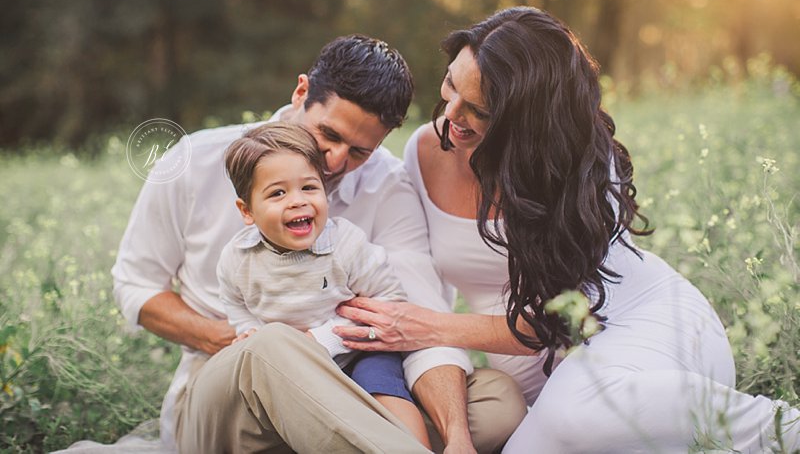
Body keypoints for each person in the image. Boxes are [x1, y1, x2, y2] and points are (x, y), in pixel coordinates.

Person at [334, 8, 800, 452]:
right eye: (450, 85)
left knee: (569, 419)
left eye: (478, 109)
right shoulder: (425, 151)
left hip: (638, 329)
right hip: (549, 379)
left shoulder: (576, 169)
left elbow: (551, 322)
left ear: (524, 117)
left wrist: (432, 328)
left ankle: (779, 429)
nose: (451, 114)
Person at [112, 34, 526, 453]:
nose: (333, 162)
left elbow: (419, 315)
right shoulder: (197, 161)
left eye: (359, 151)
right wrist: (235, 339)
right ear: (301, 91)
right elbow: (136, 285)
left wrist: (457, 437)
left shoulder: (388, 189)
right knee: (273, 344)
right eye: (327, 134)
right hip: (227, 397)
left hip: (346, 387)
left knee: (498, 403)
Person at [218, 122, 431, 448]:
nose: (297, 201)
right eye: (277, 193)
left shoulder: (346, 245)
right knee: (279, 411)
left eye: (309, 187)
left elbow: (390, 300)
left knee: (381, 387)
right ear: (247, 211)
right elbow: (234, 301)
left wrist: (323, 339)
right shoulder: (238, 259)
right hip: (290, 368)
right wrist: (247, 328)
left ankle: (416, 447)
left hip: (358, 351)